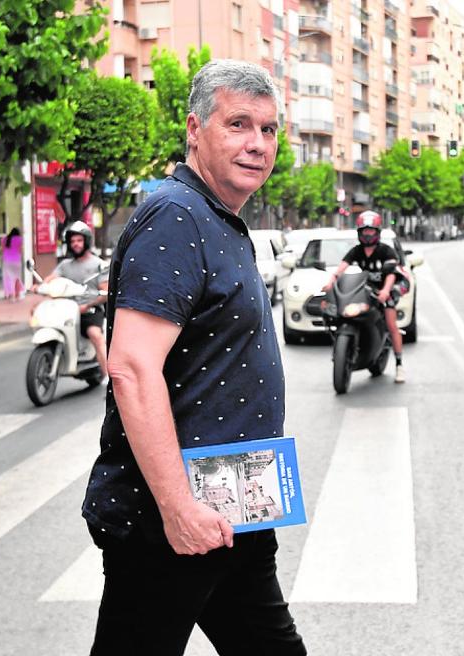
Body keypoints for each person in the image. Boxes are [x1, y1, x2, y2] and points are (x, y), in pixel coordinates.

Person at [82, 60, 306, 656]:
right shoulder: (177, 216)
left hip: (232, 509)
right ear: (194, 130)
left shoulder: (220, 220)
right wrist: (178, 507)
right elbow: (131, 365)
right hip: (169, 526)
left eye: (269, 129)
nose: (258, 144)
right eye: (238, 124)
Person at [322, 210, 407, 384]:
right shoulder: (357, 251)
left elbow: (391, 273)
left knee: (392, 324)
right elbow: (342, 268)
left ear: (377, 232)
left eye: (371, 231)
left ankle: (399, 365)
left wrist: (385, 291)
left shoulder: (386, 251)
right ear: (359, 232)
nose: (367, 235)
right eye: (364, 231)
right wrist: (331, 281)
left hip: (385, 290)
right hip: (366, 290)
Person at [37, 221, 108, 377]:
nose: (75, 244)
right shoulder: (65, 265)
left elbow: (105, 290)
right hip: (66, 310)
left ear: (86, 241)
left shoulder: (98, 265)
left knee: (95, 334)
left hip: (89, 309)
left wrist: (88, 304)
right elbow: (51, 278)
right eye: (73, 241)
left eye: (79, 240)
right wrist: (40, 286)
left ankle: (108, 378)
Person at [1, 227, 24, 299]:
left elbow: (3, 250)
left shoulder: (4, 239)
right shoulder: (20, 239)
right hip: (16, 261)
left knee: (8, 278)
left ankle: (9, 293)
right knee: (17, 277)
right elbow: (20, 250)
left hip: (7, 261)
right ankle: (17, 293)